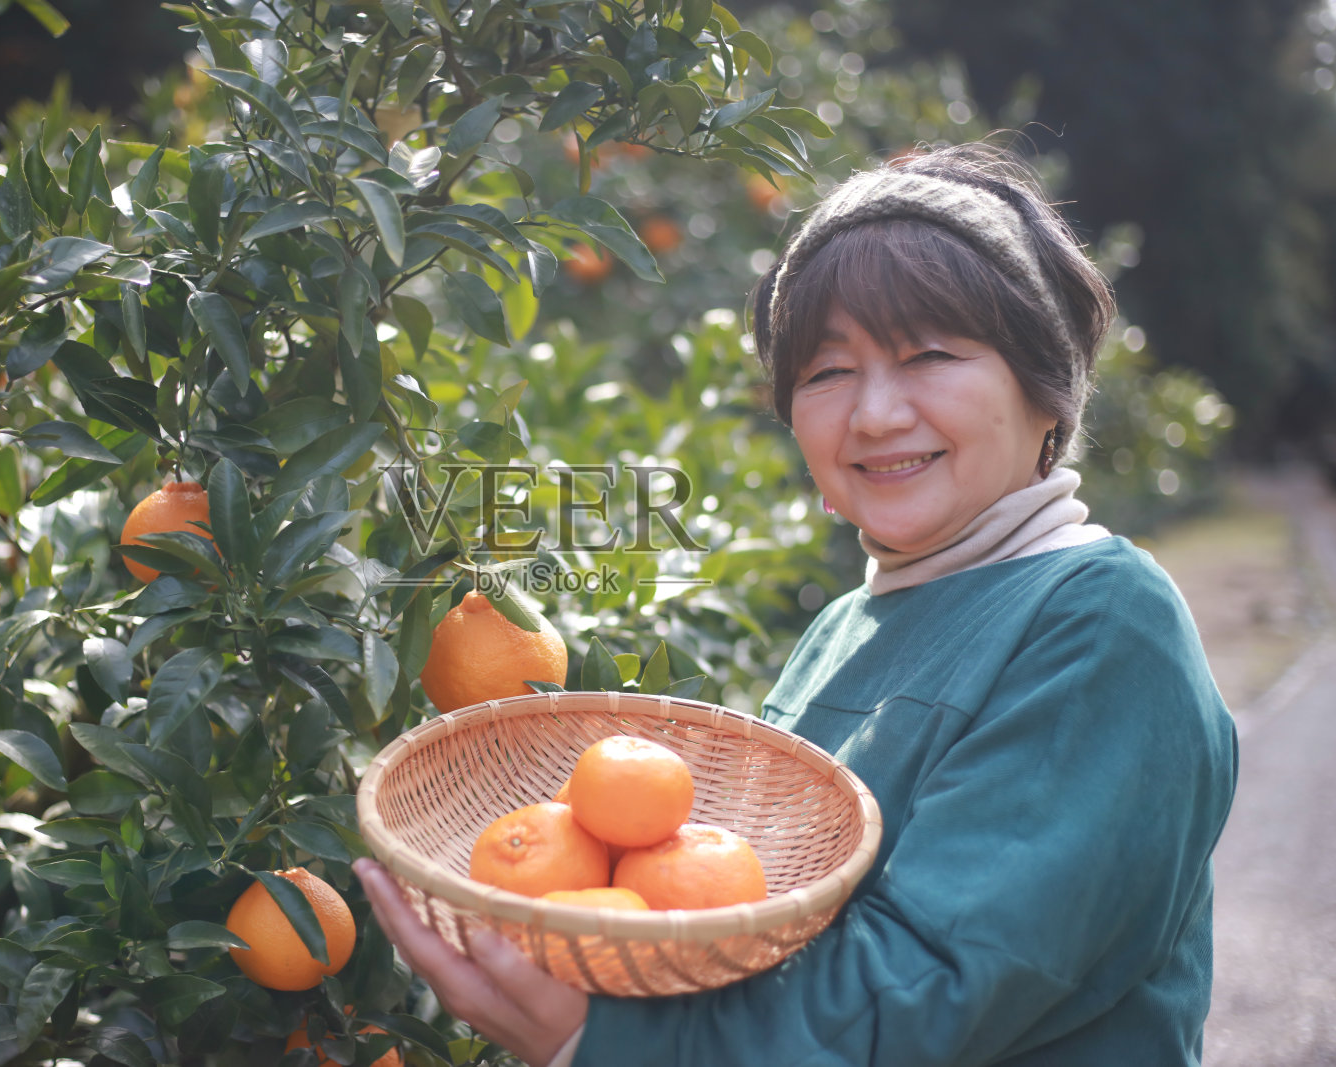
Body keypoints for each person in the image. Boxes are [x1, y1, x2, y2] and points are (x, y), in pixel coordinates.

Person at [355, 139, 1239, 1066]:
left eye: (930, 354)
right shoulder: (844, 627)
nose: (875, 414)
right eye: (827, 372)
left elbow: (936, 983)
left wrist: (600, 1038)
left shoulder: (1102, 620)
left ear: (1047, 393)